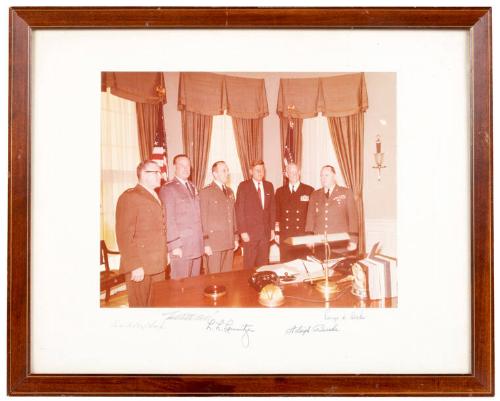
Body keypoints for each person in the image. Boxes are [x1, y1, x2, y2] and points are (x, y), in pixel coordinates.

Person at [115, 160, 167, 307]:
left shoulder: (154, 196)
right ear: (143, 175)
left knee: (157, 305)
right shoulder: (129, 197)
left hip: (157, 264)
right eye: (156, 172)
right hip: (141, 266)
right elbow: (124, 235)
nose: (161, 176)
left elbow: (160, 230)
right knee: (140, 307)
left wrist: (165, 255)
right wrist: (134, 265)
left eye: (160, 172)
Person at [158, 154, 203, 279]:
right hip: (181, 246)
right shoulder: (168, 188)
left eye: (188, 165)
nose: (186, 168)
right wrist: (174, 246)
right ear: (174, 167)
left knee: (196, 285)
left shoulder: (193, 186)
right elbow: (168, 219)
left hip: (196, 245)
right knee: (180, 286)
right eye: (182, 165)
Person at [305, 165, 358, 255]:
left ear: (334, 176)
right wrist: (309, 238)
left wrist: (353, 240)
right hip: (320, 243)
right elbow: (310, 218)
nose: (323, 178)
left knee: (338, 268)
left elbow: (352, 218)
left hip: (339, 243)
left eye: (326, 175)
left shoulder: (346, 192)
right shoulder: (315, 195)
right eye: (321, 176)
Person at [199, 161, 239, 274]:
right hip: (214, 243)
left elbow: (233, 215)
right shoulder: (205, 192)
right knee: (214, 278)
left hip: (229, 240)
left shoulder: (230, 191)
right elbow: (203, 219)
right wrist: (205, 243)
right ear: (215, 174)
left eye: (227, 170)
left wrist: (236, 238)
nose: (227, 173)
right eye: (224, 170)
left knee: (227, 276)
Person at [235, 160, 276, 269]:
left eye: (262, 170)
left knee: (263, 266)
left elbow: (272, 209)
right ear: (251, 171)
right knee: (249, 266)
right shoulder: (243, 186)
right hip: (249, 234)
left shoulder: (269, 186)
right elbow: (239, 210)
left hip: (265, 234)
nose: (260, 172)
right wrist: (242, 231)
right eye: (257, 170)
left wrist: (272, 229)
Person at [275, 163, 314, 262]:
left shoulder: (309, 190)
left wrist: (310, 236)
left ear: (299, 172)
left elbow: (312, 216)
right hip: (286, 236)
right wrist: (277, 233)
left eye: (296, 172)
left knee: (303, 266)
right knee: (286, 267)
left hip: (302, 236)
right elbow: (277, 214)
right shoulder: (280, 191)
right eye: (290, 172)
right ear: (286, 174)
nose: (294, 174)